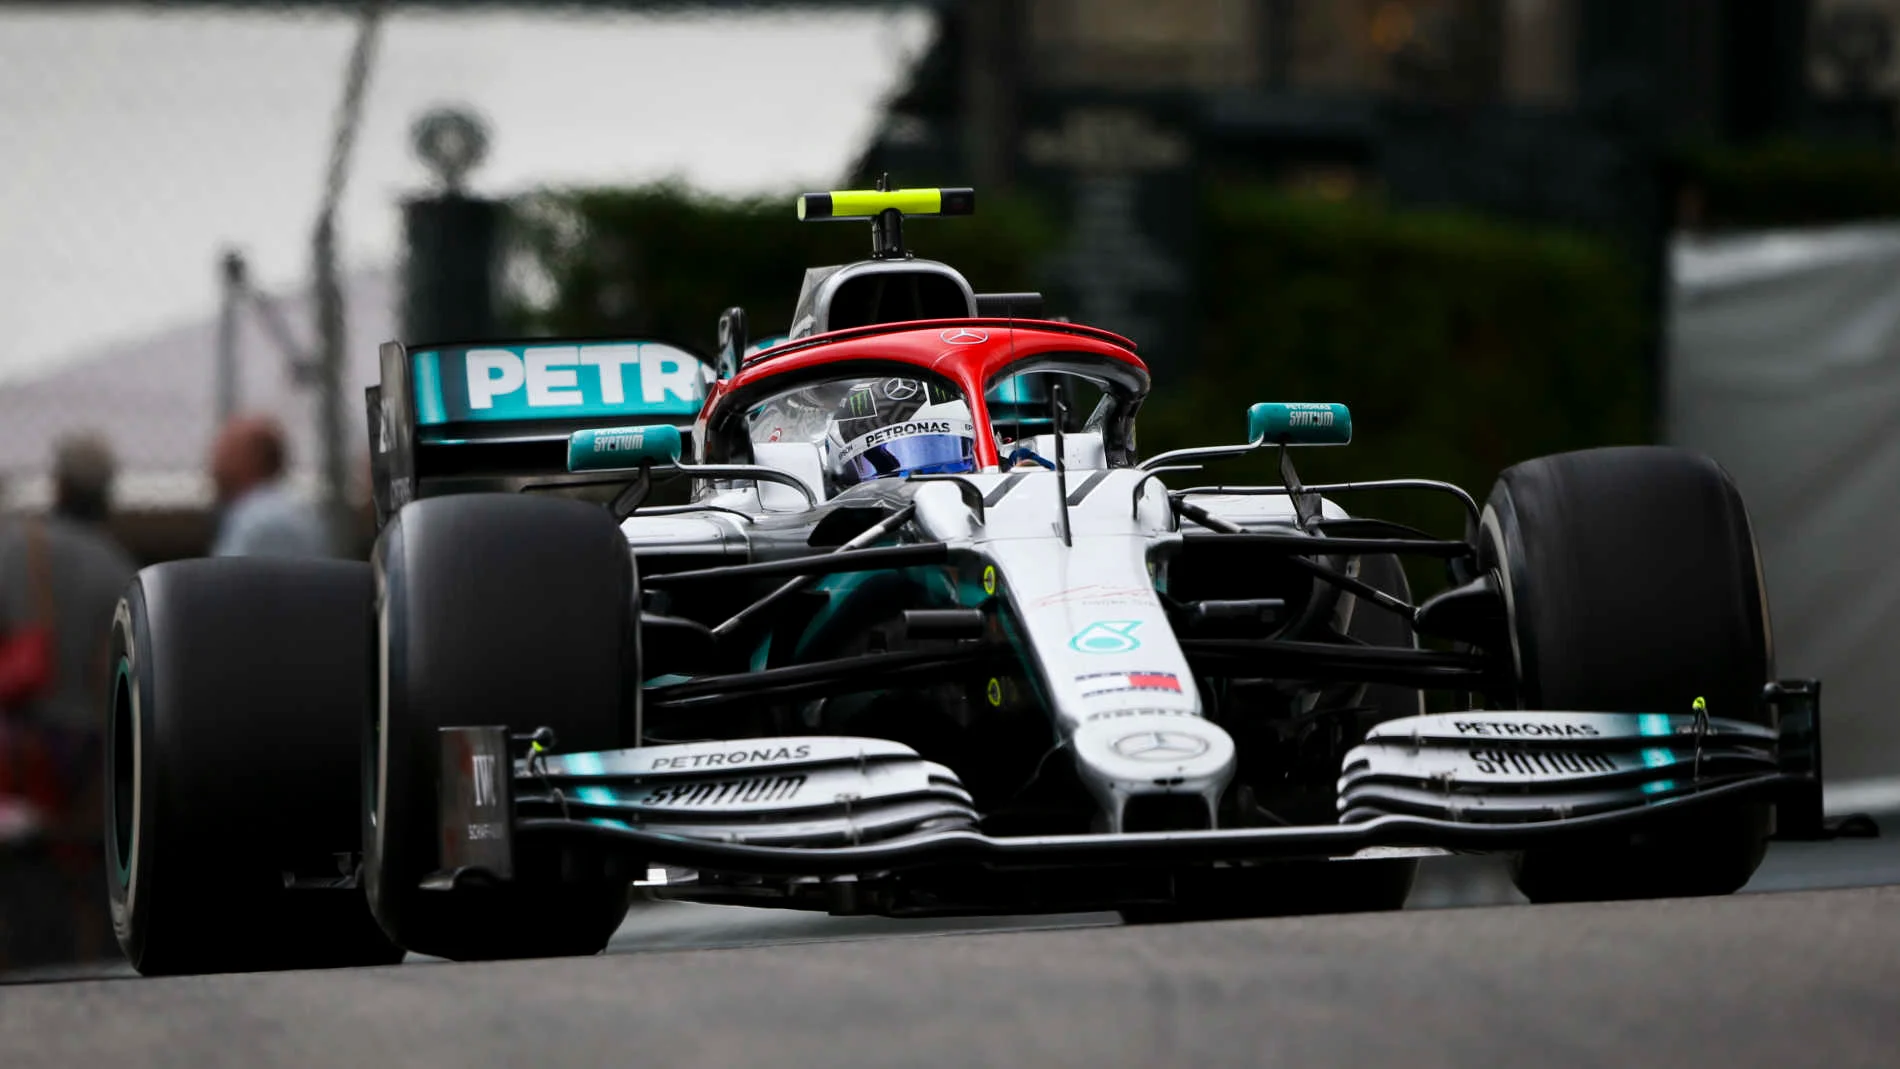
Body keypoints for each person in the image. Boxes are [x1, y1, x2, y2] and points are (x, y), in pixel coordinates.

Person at [0, 432, 138, 965]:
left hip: (20, 742)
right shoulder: (119, 564)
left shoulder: (16, 546)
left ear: (57, 483)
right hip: (88, 751)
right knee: (81, 862)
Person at [208, 415, 335, 558]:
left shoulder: (261, 521)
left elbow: (232, 578)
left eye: (225, 452)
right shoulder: (291, 509)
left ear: (252, 459)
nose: (214, 465)